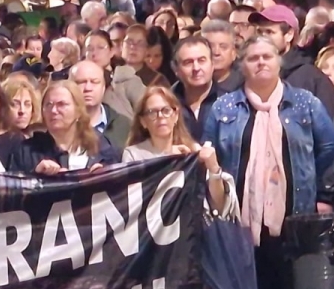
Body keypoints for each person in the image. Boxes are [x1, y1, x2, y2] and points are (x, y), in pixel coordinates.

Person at [204, 35, 334, 289]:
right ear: (242, 65)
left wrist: (307, 180)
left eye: (267, 56)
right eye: (253, 58)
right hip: (238, 219)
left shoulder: (305, 104)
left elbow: (328, 146)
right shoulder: (224, 107)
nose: (261, 63)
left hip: (288, 218)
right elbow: (210, 153)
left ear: (279, 61)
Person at [123, 86, 236, 218]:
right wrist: (169, 163)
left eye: (166, 110)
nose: (160, 116)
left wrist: (213, 169)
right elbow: (132, 204)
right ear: (143, 121)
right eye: (152, 112)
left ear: (176, 115)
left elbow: (220, 206)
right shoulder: (133, 155)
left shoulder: (192, 152)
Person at [9, 79, 120, 174]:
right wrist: (36, 175)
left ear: (78, 111)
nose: (53, 110)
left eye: (61, 104)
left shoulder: (102, 147)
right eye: (48, 105)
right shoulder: (27, 151)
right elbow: (14, 189)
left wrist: (103, 177)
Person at [250, 5, 334, 117]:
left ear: (289, 35)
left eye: (269, 32)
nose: (263, 37)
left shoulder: (312, 78)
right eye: (259, 31)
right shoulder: (249, 73)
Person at [170, 36, 223, 141]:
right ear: (175, 69)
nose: (196, 68)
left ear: (212, 64)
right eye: (188, 62)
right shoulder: (166, 103)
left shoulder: (229, 102)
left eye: (201, 60)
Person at [70, 60, 131, 152]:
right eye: (81, 82)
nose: (88, 88)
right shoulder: (59, 124)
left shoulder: (124, 125)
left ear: (103, 87)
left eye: (94, 82)